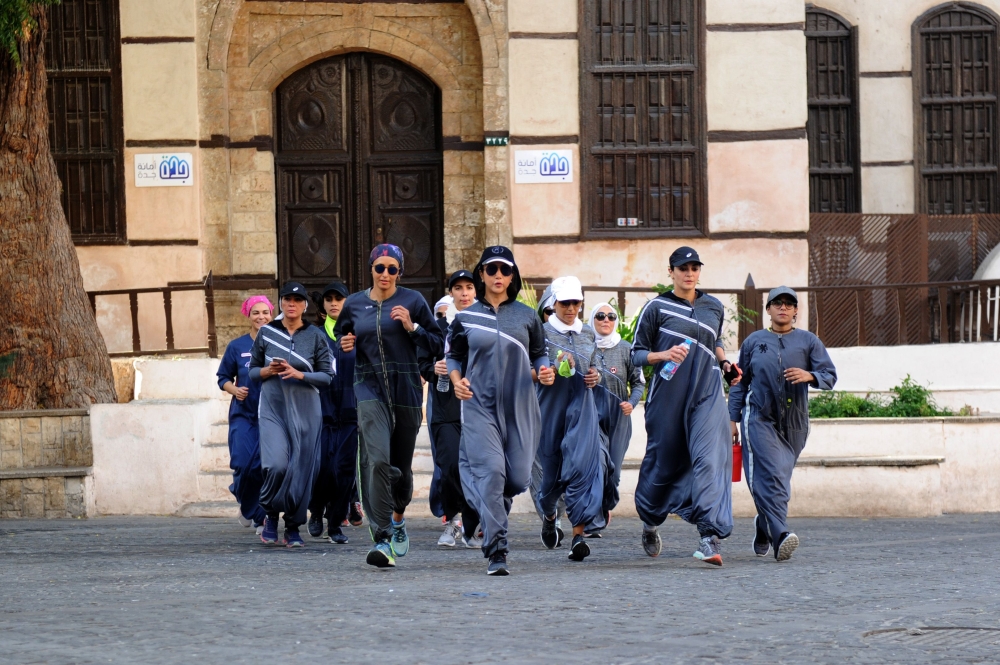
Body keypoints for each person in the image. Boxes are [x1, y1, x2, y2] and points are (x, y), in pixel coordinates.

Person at [335, 244, 443, 568]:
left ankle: (398, 517)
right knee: (377, 460)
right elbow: (342, 339)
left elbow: (437, 343)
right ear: (370, 269)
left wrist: (414, 327)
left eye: (392, 269)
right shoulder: (354, 304)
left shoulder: (413, 301)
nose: (385, 274)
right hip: (368, 387)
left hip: (406, 389)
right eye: (379, 267)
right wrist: (345, 344)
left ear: (400, 272)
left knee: (402, 469)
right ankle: (382, 537)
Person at [448, 246, 554, 575]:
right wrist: (455, 380)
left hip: (520, 406)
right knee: (492, 472)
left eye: (504, 270)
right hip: (479, 404)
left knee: (517, 479)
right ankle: (497, 549)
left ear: (513, 276)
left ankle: (487, 501)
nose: (498, 276)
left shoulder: (527, 316)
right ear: (481, 273)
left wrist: (545, 371)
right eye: (491, 269)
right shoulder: (465, 317)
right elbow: (454, 357)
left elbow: (539, 354)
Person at [631, 247, 739, 566]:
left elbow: (715, 341)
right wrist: (662, 356)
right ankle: (651, 521)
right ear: (671, 272)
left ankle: (708, 536)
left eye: (694, 267)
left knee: (709, 461)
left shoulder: (713, 306)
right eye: (682, 268)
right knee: (663, 467)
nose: (689, 273)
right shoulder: (657, 308)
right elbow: (636, 353)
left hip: (707, 394)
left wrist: (725, 363)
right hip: (667, 398)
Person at [729, 287, 837, 561]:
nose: (783, 308)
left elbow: (829, 375)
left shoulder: (808, 341)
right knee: (768, 477)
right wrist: (732, 419)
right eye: (777, 303)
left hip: (795, 423)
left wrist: (809, 375)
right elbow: (740, 383)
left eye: (789, 304)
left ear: (796, 310)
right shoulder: (754, 341)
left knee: (780, 480)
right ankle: (780, 534)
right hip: (759, 417)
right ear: (768, 309)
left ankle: (763, 525)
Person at [249, 282, 335, 547]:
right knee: (275, 465)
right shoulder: (266, 333)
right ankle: (271, 514)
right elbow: (252, 372)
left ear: (304, 306)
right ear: (281, 303)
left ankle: (293, 526)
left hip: (307, 411)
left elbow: (327, 376)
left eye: (297, 300)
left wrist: (300, 374)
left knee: (301, 471)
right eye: (287, 299)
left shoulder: (316, 335)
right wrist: (267, 371)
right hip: (274, 408)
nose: (292, 304)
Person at [534, 276, 605, 563]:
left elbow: (596, 363)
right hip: (550, 410)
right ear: (553, 303)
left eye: (576, 302)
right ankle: (550, 516)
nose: (571, 308)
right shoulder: (540, 333)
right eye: (565, 302)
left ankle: (578, 536)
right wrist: (549, 368)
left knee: (582, 469)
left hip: (583, 410)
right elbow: (529, 366)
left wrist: (595, 375)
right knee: (550, 481)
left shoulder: (588, 333)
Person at [419, 271, 482, 548]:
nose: (465, 293)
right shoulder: (437, 328)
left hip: (479, 407)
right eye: (459, 288)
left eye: (469, 287)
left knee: (479, 468)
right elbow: (420, 363)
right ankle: (455, 522)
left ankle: (475, 524)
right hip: (445, 408)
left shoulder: (485, 323)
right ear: (451, 293)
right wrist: (433, 368)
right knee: (450, 466)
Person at [216, 295, 273, 534]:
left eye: (265, 312)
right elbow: (223, 378)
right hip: (243, 414)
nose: (261, 317)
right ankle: (244, 496)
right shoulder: (236, 346)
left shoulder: (278, 345)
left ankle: (259, 517)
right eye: (255, 313)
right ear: (248, 316)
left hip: (270, 415)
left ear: (272, 315)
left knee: (261, 467)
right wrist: (235, 389)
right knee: (241, 462)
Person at [307, 282, 358, 545]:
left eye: (339, 298)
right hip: (322, 412)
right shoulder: (314, 335)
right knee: (323, 467)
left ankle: (335, 523)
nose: (334, 302)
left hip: (351, 411)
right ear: (323, 305)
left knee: (345, 469)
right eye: (329, 299)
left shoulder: (359, 332)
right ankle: (316, 511)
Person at [587, 303, 644, 536]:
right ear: (593, 320)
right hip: (591, 416)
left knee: (614, 472)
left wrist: (632, 402)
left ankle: (605, 505)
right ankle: (593, 517)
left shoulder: (626, 349)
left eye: (611, 316)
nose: (605, 320)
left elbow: (639, 382)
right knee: (597, 466)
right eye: (600, 316)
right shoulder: (585, 345)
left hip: (619, 417)